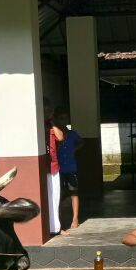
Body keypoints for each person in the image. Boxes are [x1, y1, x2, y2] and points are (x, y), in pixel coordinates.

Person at [54, 107, 84, 230]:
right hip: (58, 169)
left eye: (65, 118)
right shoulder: (54, 134)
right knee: (58, 194)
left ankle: (75, 218)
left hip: (71, 167)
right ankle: (59, 220)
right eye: (61, 118)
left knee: (74, 192)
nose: (64, 121)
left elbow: (81, 142)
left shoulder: (72, 134)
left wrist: (74, 150)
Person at [44, 98, 65, 236]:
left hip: (53, 166)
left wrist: (51, 122)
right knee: (46, 198)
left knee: (55, 197)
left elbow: (61, 137)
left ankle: (56, 227)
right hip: (42, 167)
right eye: (45, 109)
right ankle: (50, 227)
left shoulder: (52, 125)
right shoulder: (37, 124)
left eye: (49, 110)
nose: (47, 112)